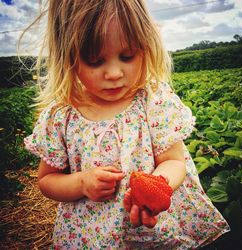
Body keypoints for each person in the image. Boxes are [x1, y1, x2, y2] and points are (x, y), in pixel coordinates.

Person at [24, 0, 230, 249]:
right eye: (94, 61)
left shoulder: (153, 101)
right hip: (93, 235)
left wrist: (157, 186)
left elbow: (174, 162)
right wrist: (81, 183)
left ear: (146, 46)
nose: (113, 73)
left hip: (153, 227)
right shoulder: (62, 115)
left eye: (127, 56)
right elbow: (47, 181)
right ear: (68, 59)